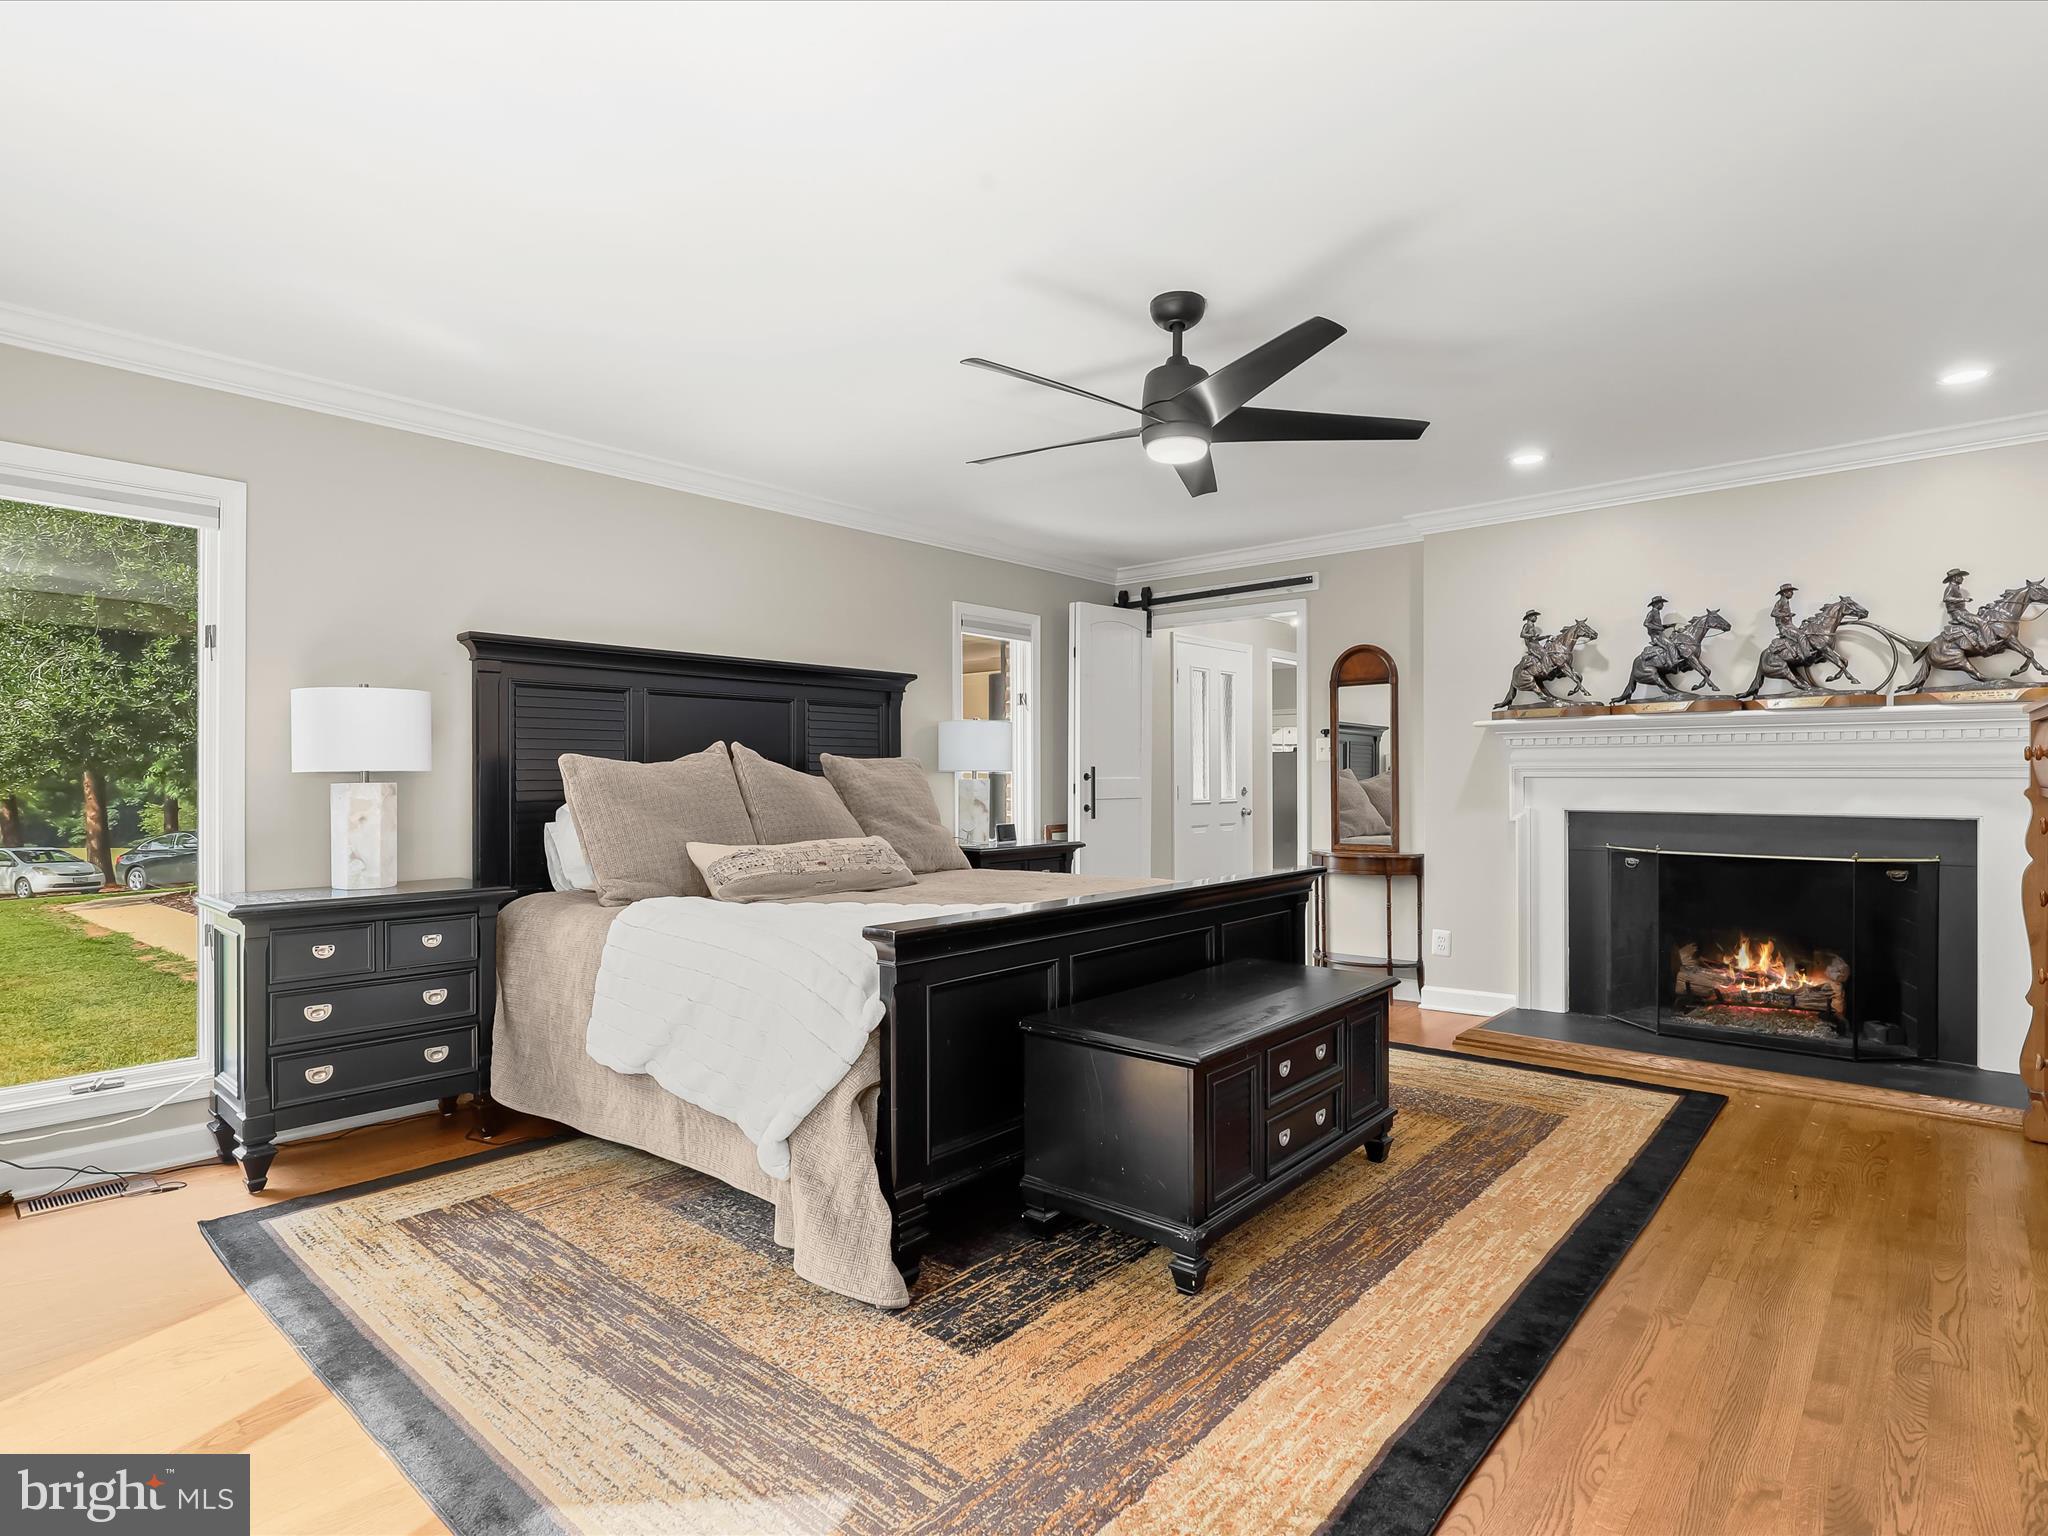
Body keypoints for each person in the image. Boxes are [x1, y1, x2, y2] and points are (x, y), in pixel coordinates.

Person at [1942, 568, 1997, 649]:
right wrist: (1963, 599)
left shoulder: (1956, 587)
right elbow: (1946, 598)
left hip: (1962, 611)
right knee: (1980, 622)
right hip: (1958, 613)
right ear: (1954, 578)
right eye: (1960, 576)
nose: (1962, 578)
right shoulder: (1951, 587)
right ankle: (1989, 643)